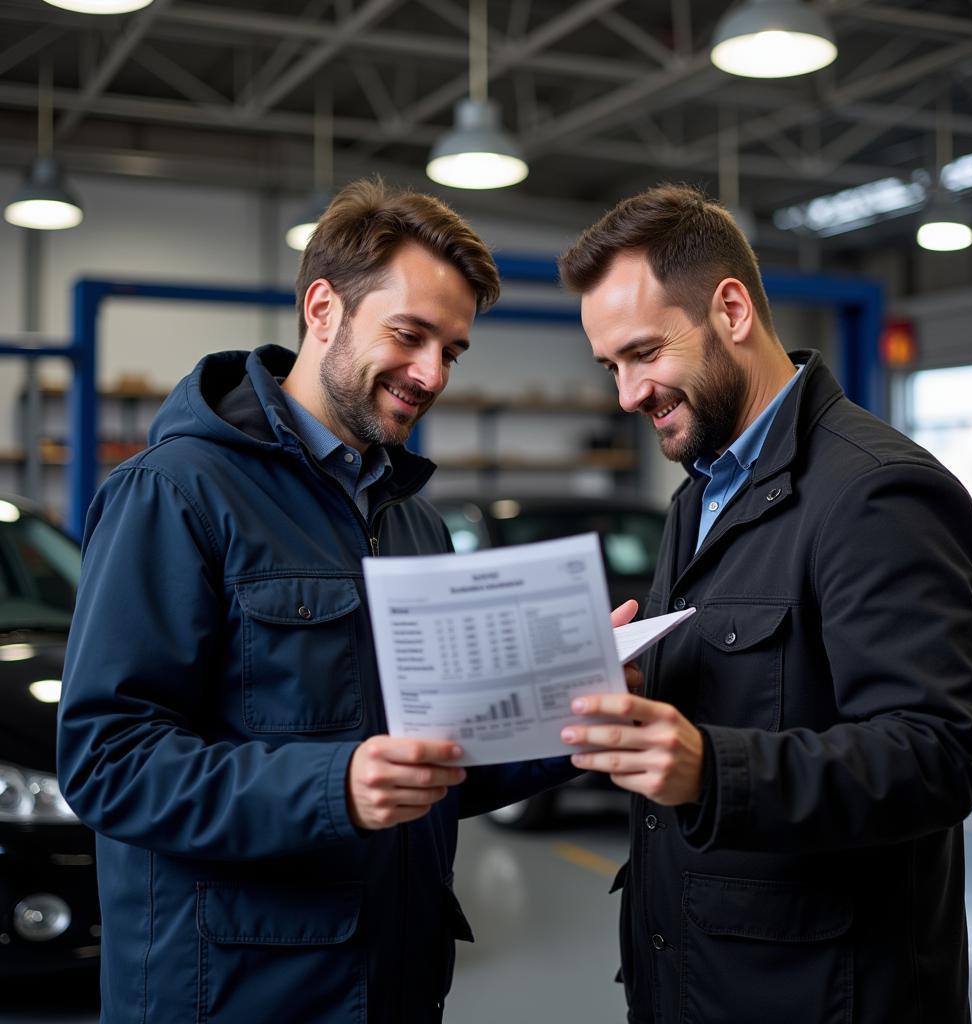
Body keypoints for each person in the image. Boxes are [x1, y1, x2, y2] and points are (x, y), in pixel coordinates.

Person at [56, 178, 614, 1023]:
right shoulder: (175, 494)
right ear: (323, 308)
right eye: (410, 334)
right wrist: (334, 786)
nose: (431, 374)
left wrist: (578, 714)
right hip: (235, 991)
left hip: (394, 978)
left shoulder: (412, 520)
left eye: (452, 351)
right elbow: (109, 761)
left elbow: (438, 762)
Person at [557, 183, 972, 1024]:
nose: (626, 394)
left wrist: (713, 770)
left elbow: (940, 753)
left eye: (644, 352)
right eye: (611, 365)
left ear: (730, 309)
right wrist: (641, 695)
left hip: (823, 995)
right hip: (694, 978)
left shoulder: (877, 492)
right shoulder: (699, 496)